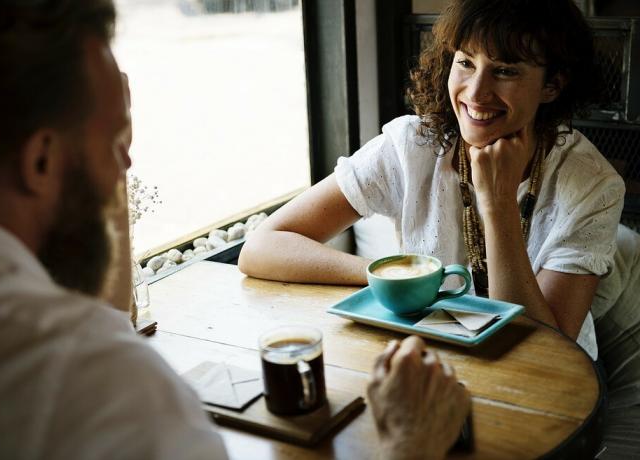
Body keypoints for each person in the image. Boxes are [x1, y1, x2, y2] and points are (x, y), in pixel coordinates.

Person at [0, 1, 469, 459]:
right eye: (115, 143)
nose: (127, 166)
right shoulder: (105, 383)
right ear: (40, 161)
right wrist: (409, 444)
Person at [238, 0, 625, 361]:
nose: (476, 92)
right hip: (433, 359)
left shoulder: (593, 185)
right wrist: (394, 281)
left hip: (552, 383)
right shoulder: (412, 145)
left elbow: (544, 350)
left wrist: (498, 202)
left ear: (551, 85)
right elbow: (261, 248)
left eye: (505, 70)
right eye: (466, 63)